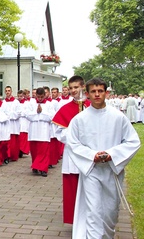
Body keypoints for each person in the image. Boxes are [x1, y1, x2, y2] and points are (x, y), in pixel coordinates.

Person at [67, 78, 140, 239]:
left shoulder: (118, 117)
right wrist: (91, 155)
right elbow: (72, 143)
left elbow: (133, 141)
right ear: (87, 94)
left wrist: (112, 155)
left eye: (100, 91)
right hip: (91, 171)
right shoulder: (80, 119)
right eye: (93, 91)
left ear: (106, 92)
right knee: (93, 212)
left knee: (110, 212)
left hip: (112, 171)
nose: (97, 94)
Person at [52, 75, 90, 224]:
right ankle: (75, 221)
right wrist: (74, 133)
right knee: (72, 189)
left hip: (89, 154)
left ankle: (90, 220)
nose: (73, 90)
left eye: (76, 87)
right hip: (72, 155)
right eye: (71, 88)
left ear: (83, 87)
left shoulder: (92, 106)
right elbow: (59, 133)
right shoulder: (65, 109)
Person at [26, 87, 55, 177]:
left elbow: (52, 117)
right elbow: (27, 115)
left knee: (44, 151)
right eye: (38, 96)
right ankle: (35, 166)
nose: (40, 98)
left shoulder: (49, 104)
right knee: (34, 151)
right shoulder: (31, 104)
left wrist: (41, 113)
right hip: (33, 131)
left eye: (41, 96)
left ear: (45, 95)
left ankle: (43, 169)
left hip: (44, 131)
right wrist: (36, 112)